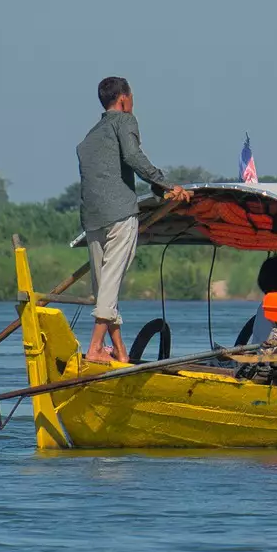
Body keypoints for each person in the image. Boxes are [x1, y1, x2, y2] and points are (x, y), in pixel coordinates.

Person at [76, 76, 191, 363]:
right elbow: (134, 156)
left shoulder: (90, 137)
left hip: (92, 218)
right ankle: (94, 348)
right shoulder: (124, 121)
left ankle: (119, 350)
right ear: (124, 100)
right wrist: (165, 185)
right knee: (111, 285)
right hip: (119, 215)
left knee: (104, 288)